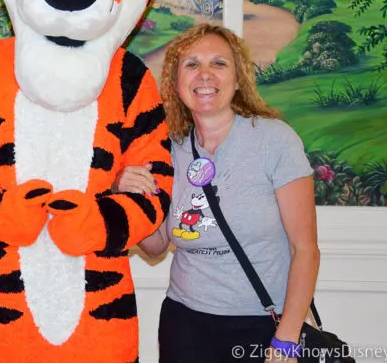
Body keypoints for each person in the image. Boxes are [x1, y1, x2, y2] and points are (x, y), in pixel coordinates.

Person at [114, 23, 319, 363]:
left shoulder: (274, 140)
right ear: (176, 82)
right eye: (191, 64)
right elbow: (156, 245)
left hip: (262, 326)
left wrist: (286, 340)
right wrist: (128, 193)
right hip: (185, 323)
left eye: (219, 64)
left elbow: (306, 250)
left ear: (238, 79)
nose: (204, 75)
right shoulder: (168, 150)